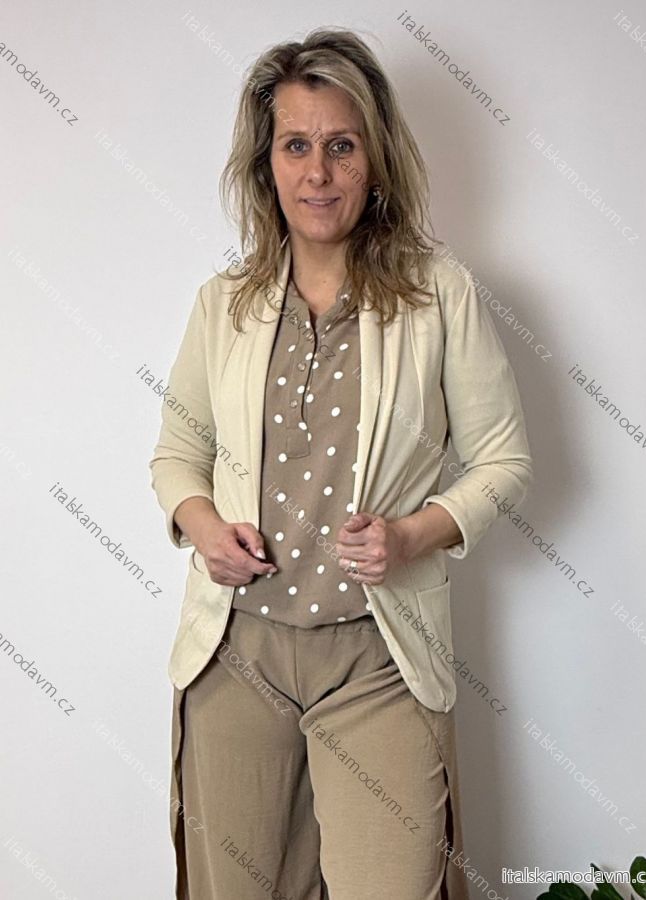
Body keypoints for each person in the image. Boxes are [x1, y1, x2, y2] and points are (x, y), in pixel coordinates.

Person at [149, 26, 533, 900]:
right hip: (235, 656)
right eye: (295, 145)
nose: (317, 173)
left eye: (341, 146)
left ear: (375, 159)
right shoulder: (224, 304)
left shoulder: (438, 294)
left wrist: (412, 534)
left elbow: (503, 459)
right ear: (266, 164)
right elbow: (177, 453)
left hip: (378, 658)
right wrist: (203, 527)